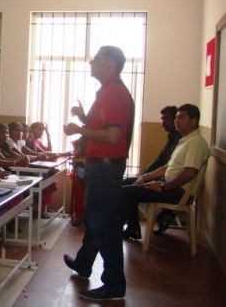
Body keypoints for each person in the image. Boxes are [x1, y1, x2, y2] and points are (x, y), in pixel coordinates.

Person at [63, 45, 134, 301]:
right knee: (97, 220)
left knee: (104, 224)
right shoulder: (107, 91)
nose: (91, 62)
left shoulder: (114, 93)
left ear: (110, 64)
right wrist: (85, 119)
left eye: (97, 59)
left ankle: (114, 284)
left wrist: (78, 130)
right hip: (101, 165)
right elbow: (103, 128)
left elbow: (113, 135)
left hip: (105, 167)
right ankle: (84, 263)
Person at [120, 104, 209, 240]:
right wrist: (145, 176)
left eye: (181, 117)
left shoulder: (195, 143)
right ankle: (130, 228)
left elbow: (190, 173)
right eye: (176, 117)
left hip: (178, 192)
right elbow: (167, 166)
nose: (176, 121)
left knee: (126, 192)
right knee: (126, 184)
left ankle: (129, 229)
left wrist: (162, 187)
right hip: (169, 185)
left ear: (193, 121)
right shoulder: (185, 140)